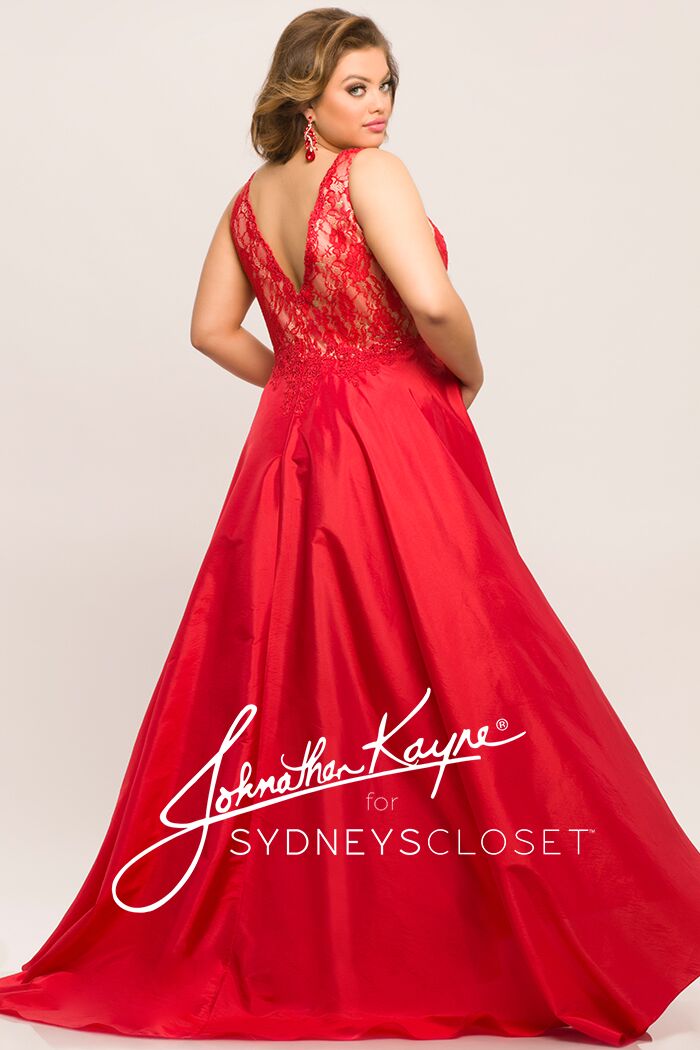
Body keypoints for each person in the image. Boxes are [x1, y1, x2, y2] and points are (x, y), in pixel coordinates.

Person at [1, 8, 699, 1046]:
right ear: (304, 94)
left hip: (289, 443)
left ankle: (319, 939)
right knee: (462, 652)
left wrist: (300, 377)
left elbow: (209, 331)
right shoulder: (373, 175)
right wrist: (467, 374)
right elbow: (431, 302)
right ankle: (550, 929)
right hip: (391, 430)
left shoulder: (247, 201)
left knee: (299, 668)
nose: (378, 108)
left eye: (385, 86)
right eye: (355, 88)